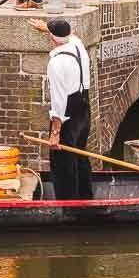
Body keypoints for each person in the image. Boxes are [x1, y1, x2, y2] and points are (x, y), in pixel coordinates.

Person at [29, 17, 92, 200]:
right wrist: (46, 28)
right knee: (80, 153)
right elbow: (71, 35)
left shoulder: (56, 63)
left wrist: (55, 132)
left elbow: (59, 100)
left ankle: (68, 204)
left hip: (67, 112)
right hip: (83, 106)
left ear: (53, 38)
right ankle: (85, 196)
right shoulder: (78, 45)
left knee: (62, 161)